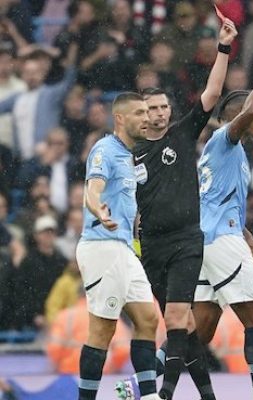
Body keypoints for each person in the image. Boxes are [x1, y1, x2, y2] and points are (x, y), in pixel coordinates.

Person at [118, 17, 237, 400]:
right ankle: (208, 395)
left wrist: (223, 47)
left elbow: (213, 90)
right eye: (152, 109)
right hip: (150, 247)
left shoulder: (183, 133)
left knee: (173, 320)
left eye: (165, 107)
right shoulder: (128, 153)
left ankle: (163, 395)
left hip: (187, 241)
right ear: (141, 114)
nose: (160, 114)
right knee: (183, 326)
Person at [193, 48, 253, 400]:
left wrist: (248, 236)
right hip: (220, 242)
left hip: (208, 240)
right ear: (238, 116)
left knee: (197, 332)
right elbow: (248, 109)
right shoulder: (223, 141)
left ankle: (150, 388)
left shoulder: (228, 154)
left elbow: (217, 203)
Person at [75, 92, 160, 400]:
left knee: (148, 320)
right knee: (102, 331)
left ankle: (148, 395)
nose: (147, 118)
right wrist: (98, 210)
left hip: (123, 249)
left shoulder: (130, 155)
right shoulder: (104, 150)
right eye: (139, 113)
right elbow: (92, 189)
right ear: (120, 118)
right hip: (102, 247)